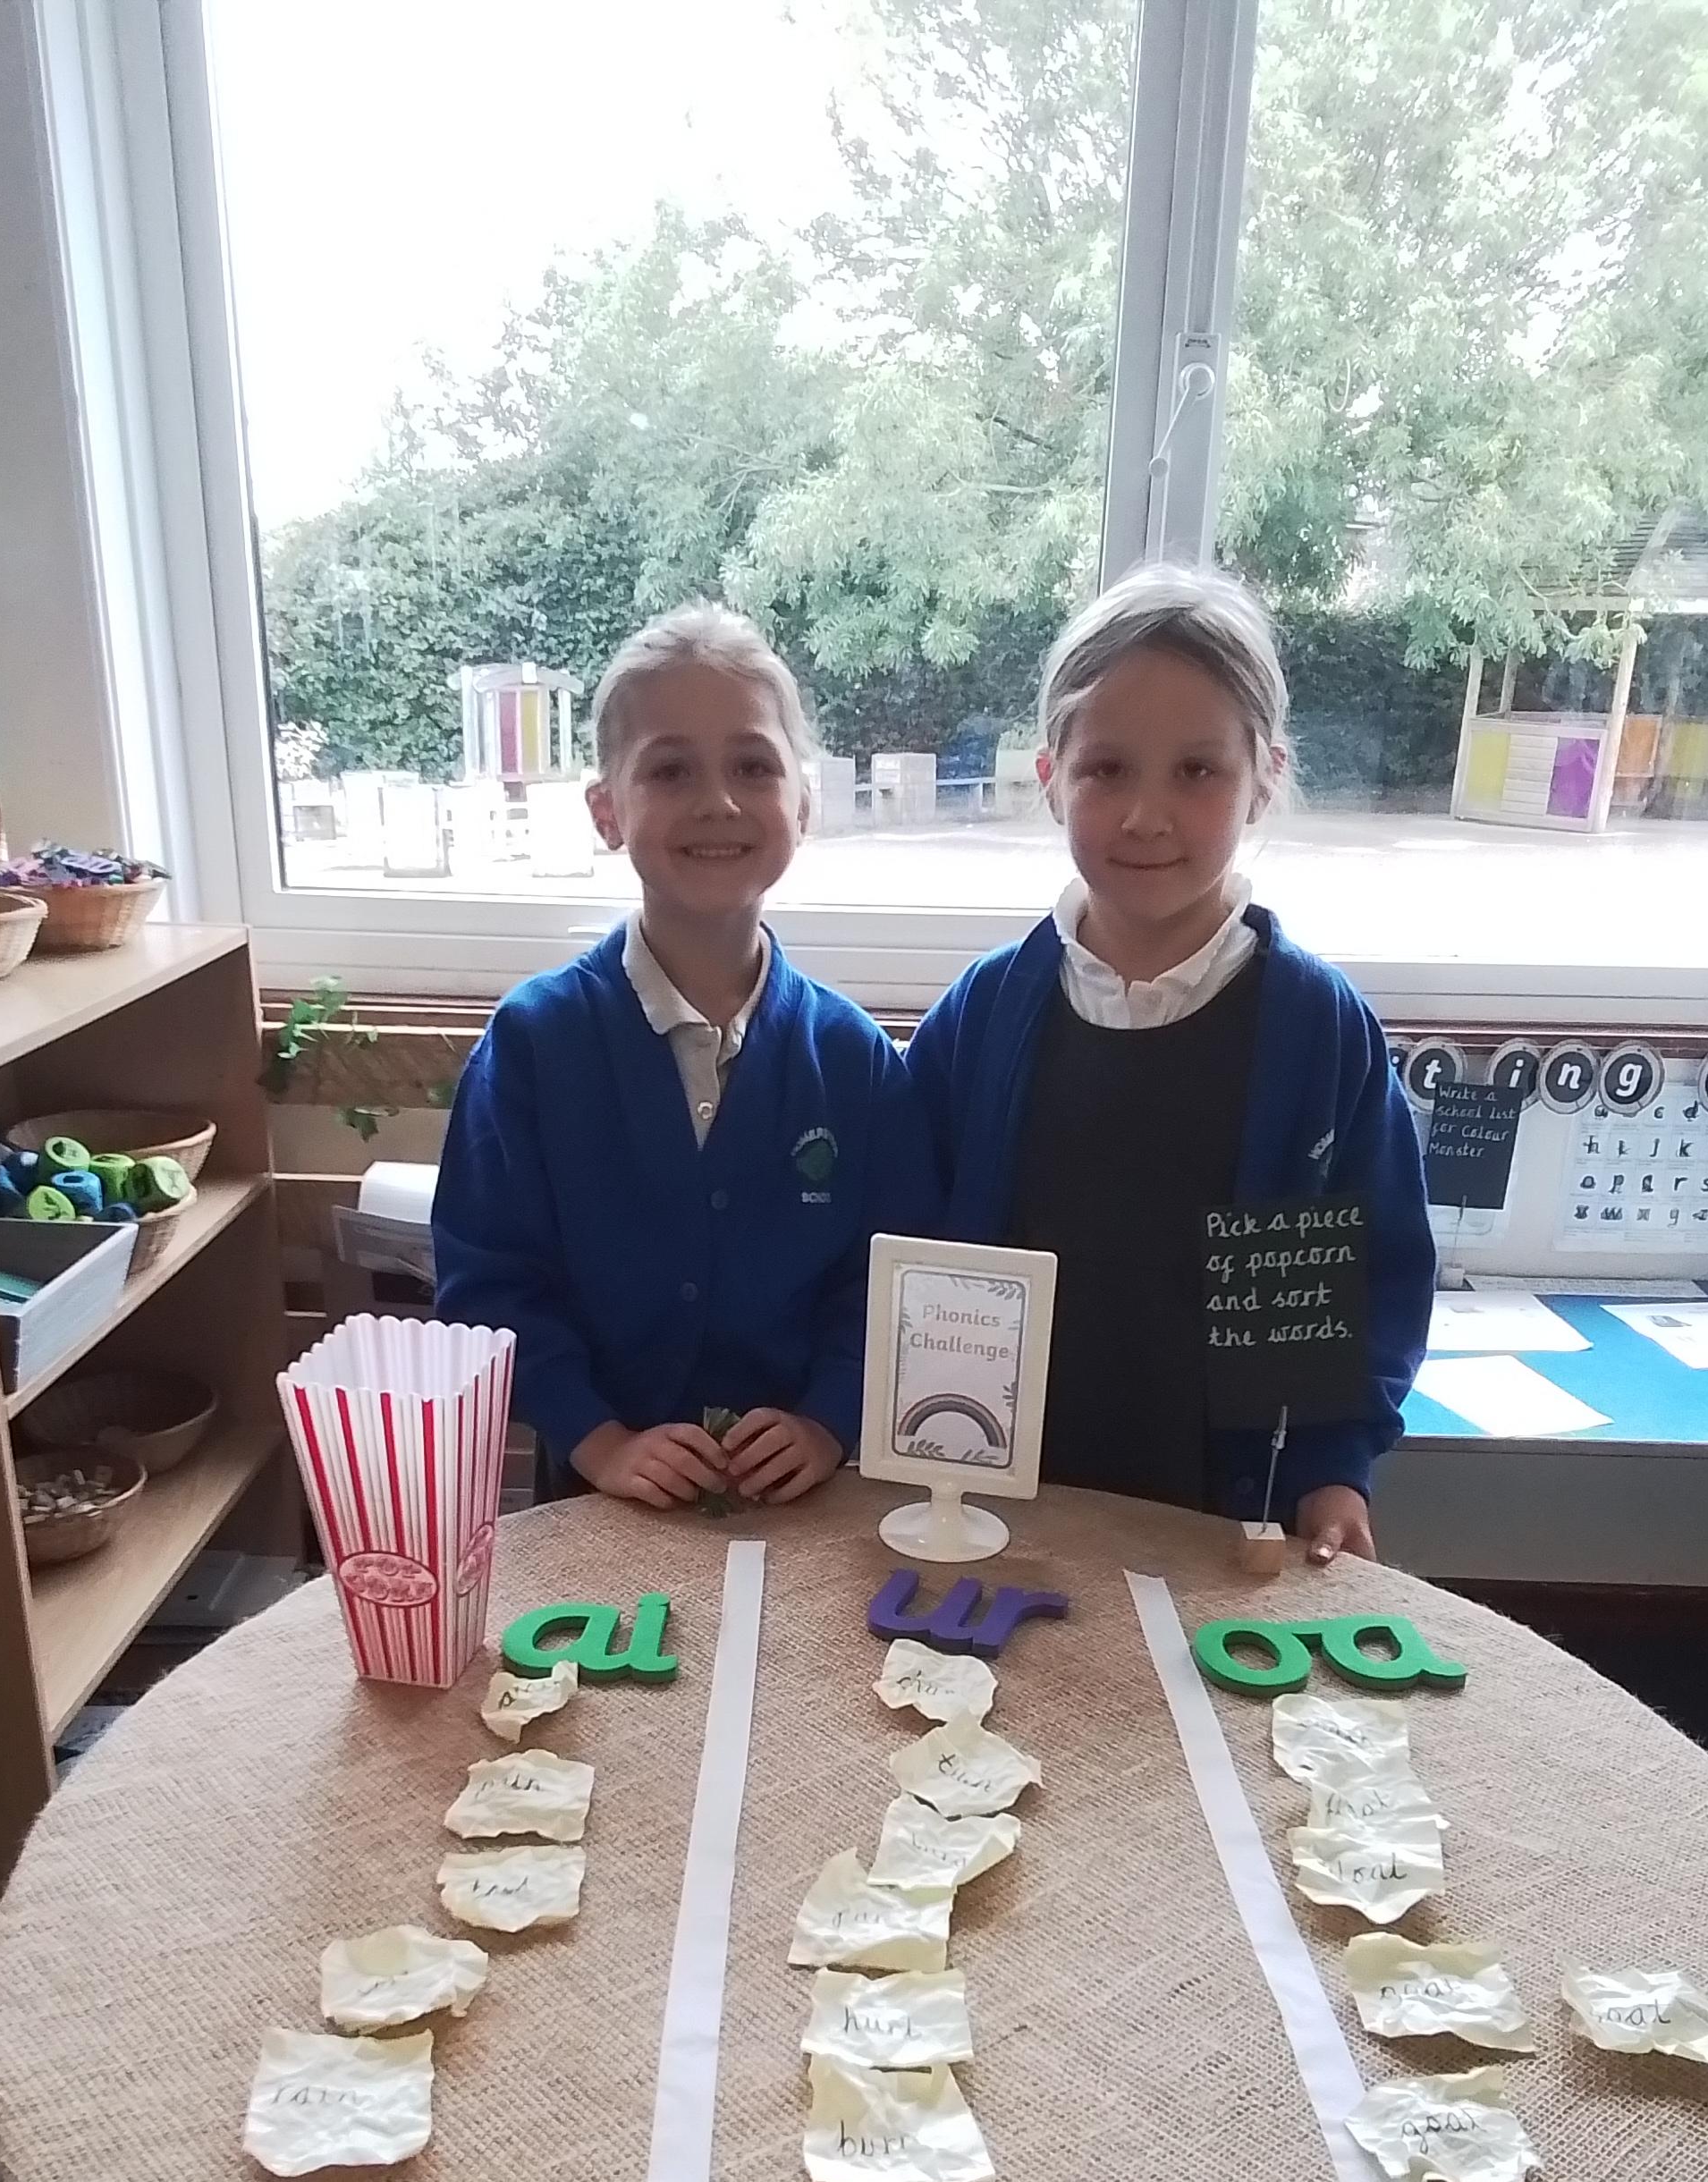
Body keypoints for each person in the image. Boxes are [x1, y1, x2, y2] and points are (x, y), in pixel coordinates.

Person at [907, 563, 1433, 1560]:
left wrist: (1331, 1469)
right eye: (1107, 770)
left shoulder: (1317, 1034)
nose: (1146, 816)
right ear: (1050, 775)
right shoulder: (984, 1015)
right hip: (996, 1515)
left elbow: (1366, 1285)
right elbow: (905, 1241)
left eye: (1196, 772)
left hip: (1219, 1520)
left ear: (1264, 776)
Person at [434, 605, 934, 1509]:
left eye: (753, 766)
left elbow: (892, 1283)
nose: (718, 802)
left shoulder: (854, 1061)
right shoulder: (534, 1045)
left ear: (803, 802)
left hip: (804, 1506)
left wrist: (828, 1421)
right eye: (670, 770)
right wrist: (601, 1442)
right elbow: (489, 1284)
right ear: (606, 811)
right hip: (595, 1501)